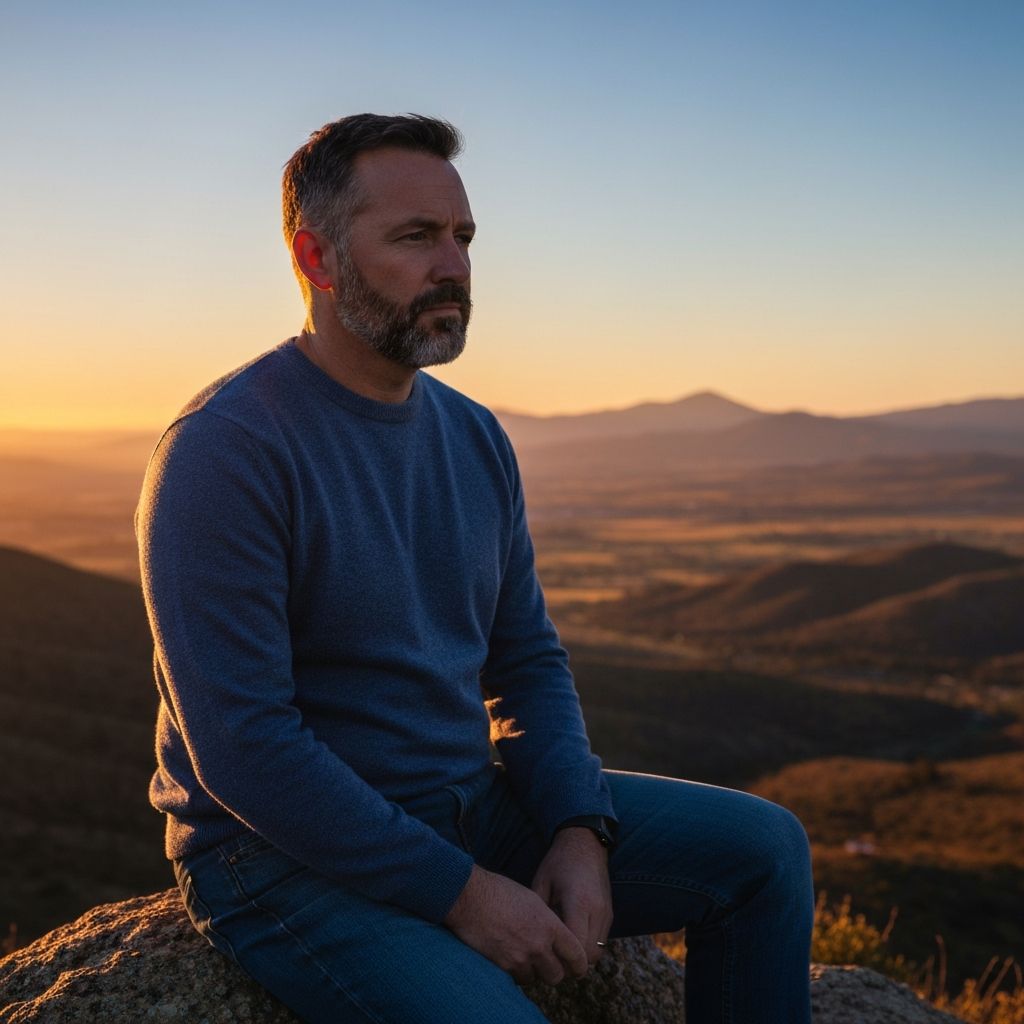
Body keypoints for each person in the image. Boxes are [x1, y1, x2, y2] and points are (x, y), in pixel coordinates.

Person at [136, 113, 814, 1024]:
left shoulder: (474, 436)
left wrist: (577, 825)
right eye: (415, 238)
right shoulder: (225, 451)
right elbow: (245, 749)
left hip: (469, 805)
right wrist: (466, 894)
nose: (453, 265)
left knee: (765, 850)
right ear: (317, 259)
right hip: (283, 857)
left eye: (462, 238)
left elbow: (524, 657)